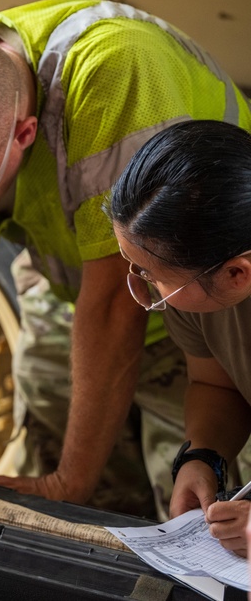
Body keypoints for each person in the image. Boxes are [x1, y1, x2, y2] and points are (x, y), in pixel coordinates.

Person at [0, 0, 251, 518]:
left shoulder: (116, 74)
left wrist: (69, 483)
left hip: (202, 299)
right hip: (91, 284)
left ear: (25, 134)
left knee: (188, 513)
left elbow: (118, 301)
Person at [109, 120, 251, 556]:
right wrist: (203, 457)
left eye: (154, 277)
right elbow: (215, 384)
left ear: (237, 273)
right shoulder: (200, 291)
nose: (146, 287)